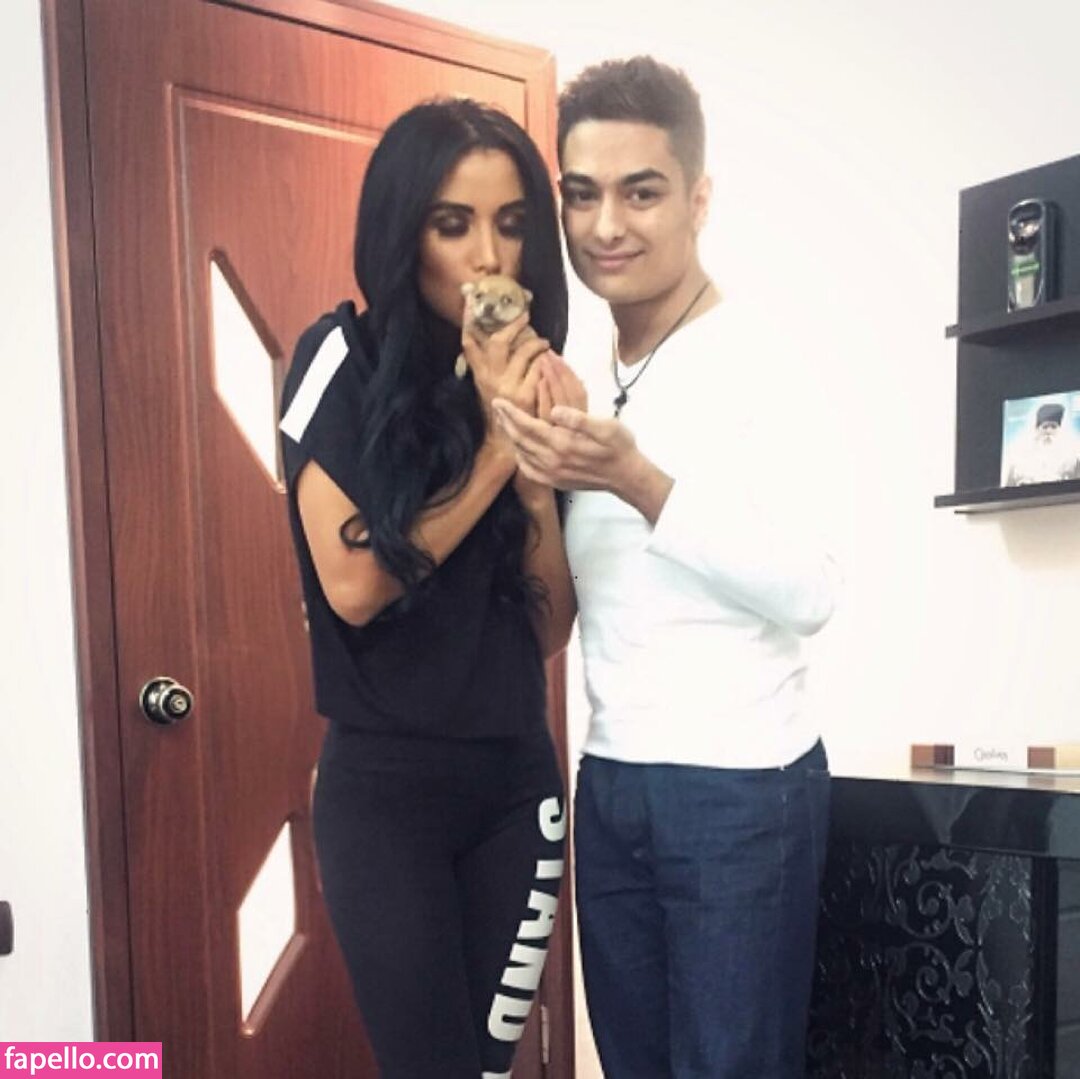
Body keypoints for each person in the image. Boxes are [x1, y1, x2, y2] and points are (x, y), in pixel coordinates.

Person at [492, 56, 842, 1078]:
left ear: (698, 197)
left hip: (744, 785)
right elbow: (561, 614)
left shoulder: (764, 357)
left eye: (641, 192)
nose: (607, 225)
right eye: (583, 194)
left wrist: (639, 480)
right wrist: (532, 488)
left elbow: (812, 590)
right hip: (612, 777)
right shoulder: (574, 372)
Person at [278, 98, 575, 1079]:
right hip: (384, 794)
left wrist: (535, 467)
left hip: (515, 785)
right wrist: (495, 451)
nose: (488, 256)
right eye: (454, 223)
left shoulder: (538, 380)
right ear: (405, 232)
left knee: (486, 1069)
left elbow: (549, 627)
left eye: (512, 223)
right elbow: (356, 582)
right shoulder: (340, 359)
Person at [1003, 400, 1080, 485]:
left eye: (1053, 427)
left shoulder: (1072, 459)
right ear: (1037, 429)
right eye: (1045, 427)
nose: (1049, 431)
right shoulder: (1019, 459)